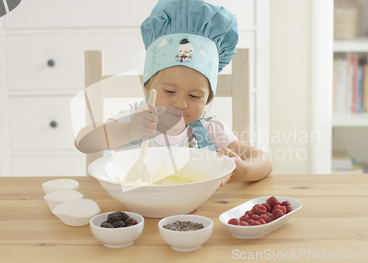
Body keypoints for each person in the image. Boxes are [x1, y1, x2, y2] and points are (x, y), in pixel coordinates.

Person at [75, 0, 272, 185]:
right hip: (137, 213)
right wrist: (127, 130)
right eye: (170, 91)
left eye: (194, 96)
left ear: (208, 98)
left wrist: (245, 170)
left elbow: (264, 161)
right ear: (147, 88)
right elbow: (82, 141)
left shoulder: (210, 132)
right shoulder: (134, 121)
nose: (180, 103)